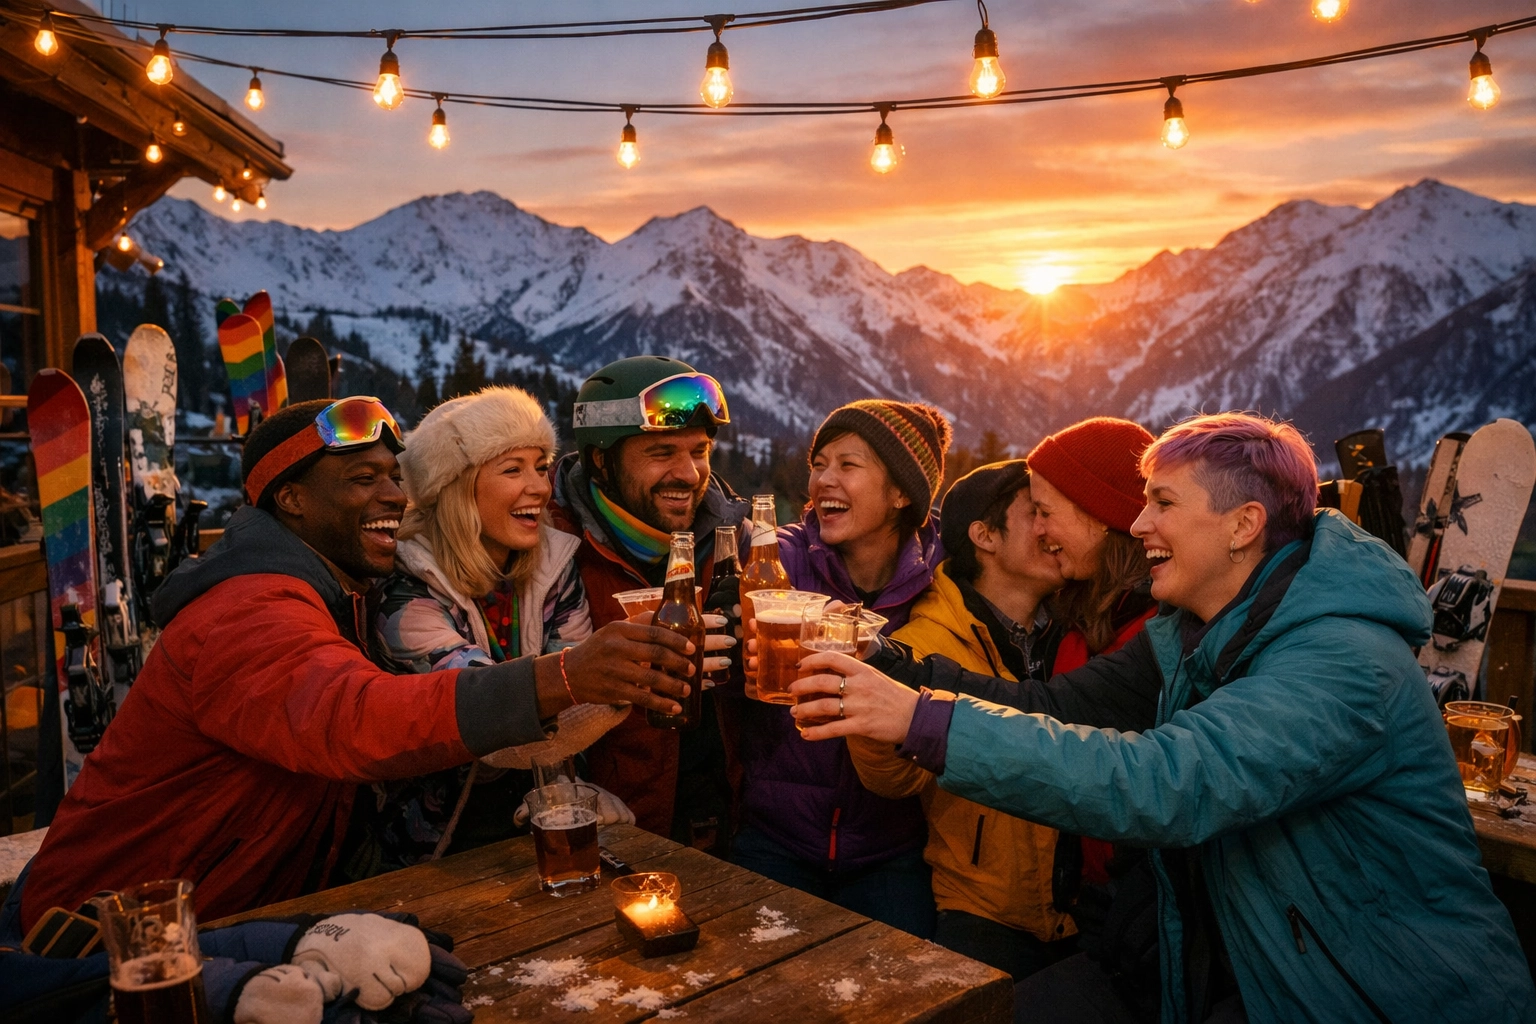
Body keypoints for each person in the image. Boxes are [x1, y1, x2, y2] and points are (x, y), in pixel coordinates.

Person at [792, 412, 1536, 1024]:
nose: (1138, 519)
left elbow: (1164, 782)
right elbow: (1061, 708)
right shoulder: (1192, 633)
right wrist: (896, 668)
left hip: (1373, 994)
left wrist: (921, 722)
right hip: (1250, 966)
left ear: (1243, 525)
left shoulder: (1339, 662)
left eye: (1164, 503)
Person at [17, 397, 703, 931]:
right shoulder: (250, 610)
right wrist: (567, 677)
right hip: (107, 935)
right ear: (291, 500)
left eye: (394, 478)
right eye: (362, 479)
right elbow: (355, 720)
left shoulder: (337, 591)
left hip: (230, 906)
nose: (394, 496)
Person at [345, 386, 640, 878]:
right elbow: (486, 723)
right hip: (428, 852)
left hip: (534, 816)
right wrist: (625, 681)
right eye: (512, 469)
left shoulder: (554, 565)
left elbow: (572, 697)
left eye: (541, 466)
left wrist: (565, 789)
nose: (540, 487)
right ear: (455, 487)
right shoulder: (405, 594)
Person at [845, 461, 1075, 980]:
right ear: (985, 536)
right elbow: (889, 781)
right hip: (982, 913)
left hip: (1081, 911)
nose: (1050, 528)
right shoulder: (923, 646)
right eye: (1035, 513)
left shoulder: (1077, 629)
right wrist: (877, 715)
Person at [736, 399, 951, 938]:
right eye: (819, 464)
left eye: (848, 465)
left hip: (892, 848)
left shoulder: (943, 577)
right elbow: (735, 554)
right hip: (776, 836)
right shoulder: (780, 561)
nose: (824, 480)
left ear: (901, 494)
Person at [549, 356, 749, 853]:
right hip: (599, 831)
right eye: (662, 453)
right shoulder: (549, 547)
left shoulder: (734, 541)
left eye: (700, 451)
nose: (689, 473)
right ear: (601, 460)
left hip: (723, 826)